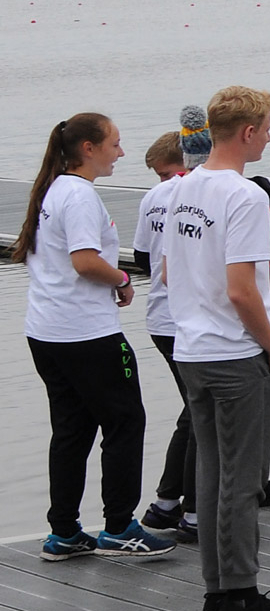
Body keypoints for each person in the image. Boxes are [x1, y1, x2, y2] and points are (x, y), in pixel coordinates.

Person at [164, 86, 270, 611]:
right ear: (247, 132)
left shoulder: (181, 190)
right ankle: (241, 599)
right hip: (235, 353)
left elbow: (165, 273)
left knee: (211, 472)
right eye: (268, 128)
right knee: (242, 476)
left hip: (192, 349)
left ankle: (215, 593)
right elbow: (242, 289)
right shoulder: (245, 196)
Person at [17, 113, 171, 562]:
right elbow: (85, 261)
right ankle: (120, 526)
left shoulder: (50, 188)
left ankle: (63, 531)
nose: (120, 153)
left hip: (46, 330)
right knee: (127, 422)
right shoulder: (80, 196)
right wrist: (122, 277)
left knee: (71, 429)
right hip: (86, 334)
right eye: (115, 144)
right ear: (89, 148)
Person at [133, 132, 200, 542]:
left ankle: (165, 504)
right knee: (200, 418)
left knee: (191, 413)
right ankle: (191, 512)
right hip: (188, 322)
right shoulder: (191, 192)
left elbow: (143, 259)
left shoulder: (151, 199)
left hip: (160, 319)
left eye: (163, 173)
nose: (162, 182)